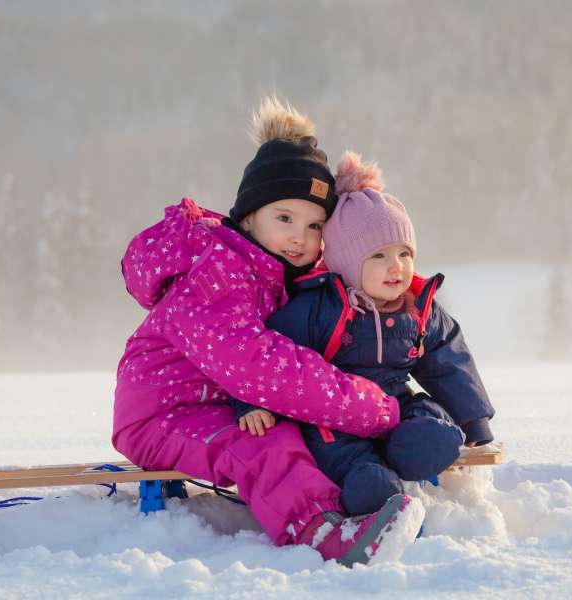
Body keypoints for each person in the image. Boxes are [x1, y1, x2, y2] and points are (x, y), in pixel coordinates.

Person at [112, 97, 424, 567]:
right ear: (249, 215)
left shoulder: (273, 275)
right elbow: (263, 367)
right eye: (285, 219)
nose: (300, 237)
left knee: (298, 429)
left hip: (218, 401)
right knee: (265, 444)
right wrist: (371, 408)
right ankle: (322, 533)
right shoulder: (216, 272)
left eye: (314, 224)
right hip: (163, 414)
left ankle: (367, 496)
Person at [231, 152, 496, 516]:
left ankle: (415, 451)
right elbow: (267, 357)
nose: (396, 267)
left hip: (396, 403)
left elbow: (449, 359)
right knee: (338, 453)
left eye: (404, 253)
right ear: (347, 263)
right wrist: (250, 403)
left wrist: (473, 418)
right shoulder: (321, 307)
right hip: (334, 417)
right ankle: (369, 484)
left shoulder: (417, 308)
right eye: (378, 257)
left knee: (429, 421)